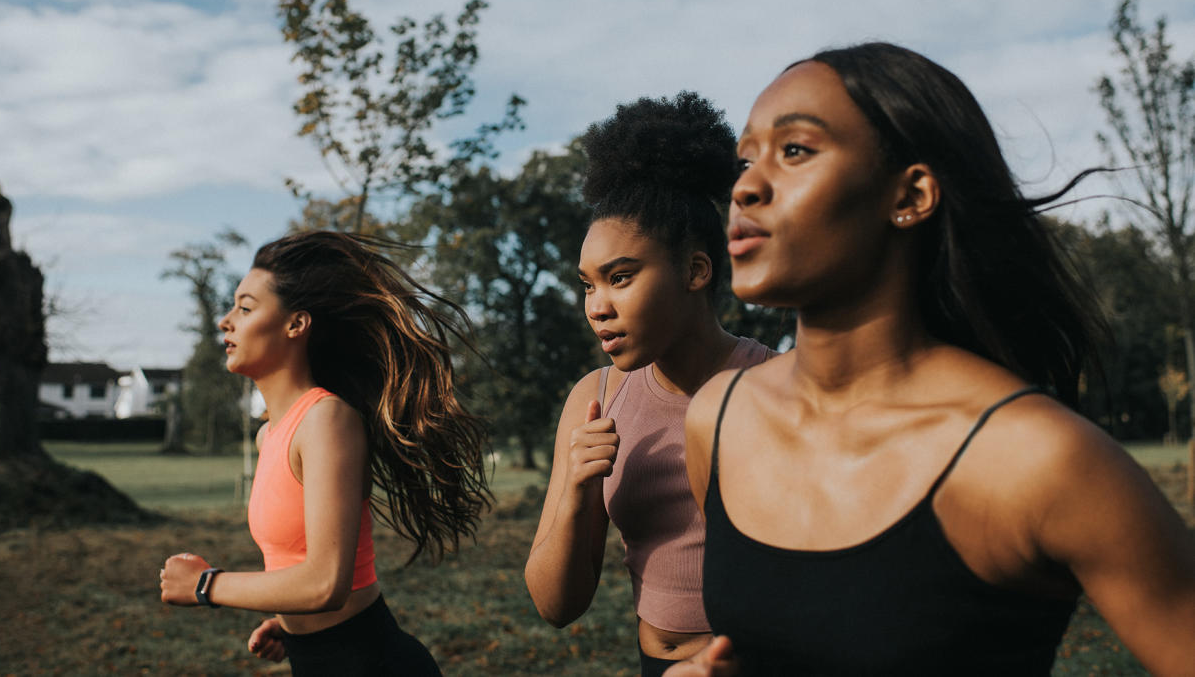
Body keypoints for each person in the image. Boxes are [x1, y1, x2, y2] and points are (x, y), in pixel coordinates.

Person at [671, 42, 1195, 676]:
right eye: (745, 158)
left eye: (796, 151)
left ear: (911, 193)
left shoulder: (1038, 459)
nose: (747, 186)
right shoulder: (719, 421)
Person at [159, 231, 491, 676]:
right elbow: (300, 566)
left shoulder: (326, 419)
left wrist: (206, 585)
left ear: (296, 324)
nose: (226, 321)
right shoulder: (271, 435)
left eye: (245, 307)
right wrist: (290, 621)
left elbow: (325, 583)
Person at [524, 92, 774, 676]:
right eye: (588, 284)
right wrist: (577, 493)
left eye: (620, 277)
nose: (598, 307)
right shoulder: (597, 399)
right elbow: (555, 606)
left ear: (695, 270)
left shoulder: (777, 385)